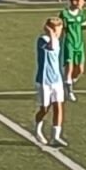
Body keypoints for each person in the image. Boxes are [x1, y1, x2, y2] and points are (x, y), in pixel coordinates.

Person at [33, 17, 68, 147]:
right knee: (44, 108)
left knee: (58, 106)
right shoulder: (42, 40)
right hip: (44, 80)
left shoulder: (56, 40)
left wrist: (54, 34)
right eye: (57, 30)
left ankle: (55, 136)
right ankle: (37, 129)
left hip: (56, 80)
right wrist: (51, 33)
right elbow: (51, 46)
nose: (59, 32)